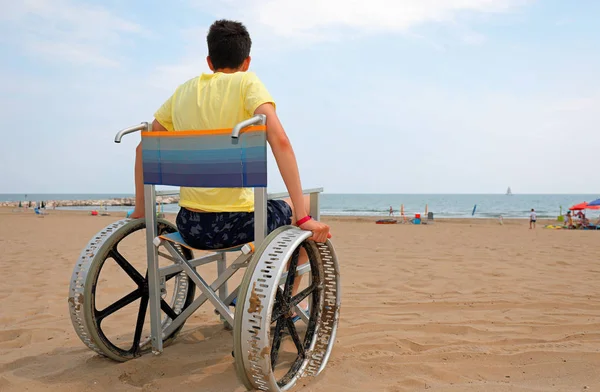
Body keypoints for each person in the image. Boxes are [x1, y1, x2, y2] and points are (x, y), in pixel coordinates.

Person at [129, 19, 330, 311]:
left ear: (209, 61)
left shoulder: (184, 91)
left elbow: (142, 148)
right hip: (239, 226)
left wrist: (141, 209)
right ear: (247, 62)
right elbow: (281, 142)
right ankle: (276, 303)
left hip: (190, 226)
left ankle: (246, 291)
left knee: (272, 208)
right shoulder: (247, 83)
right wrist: (301, 216)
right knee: (304, 208)